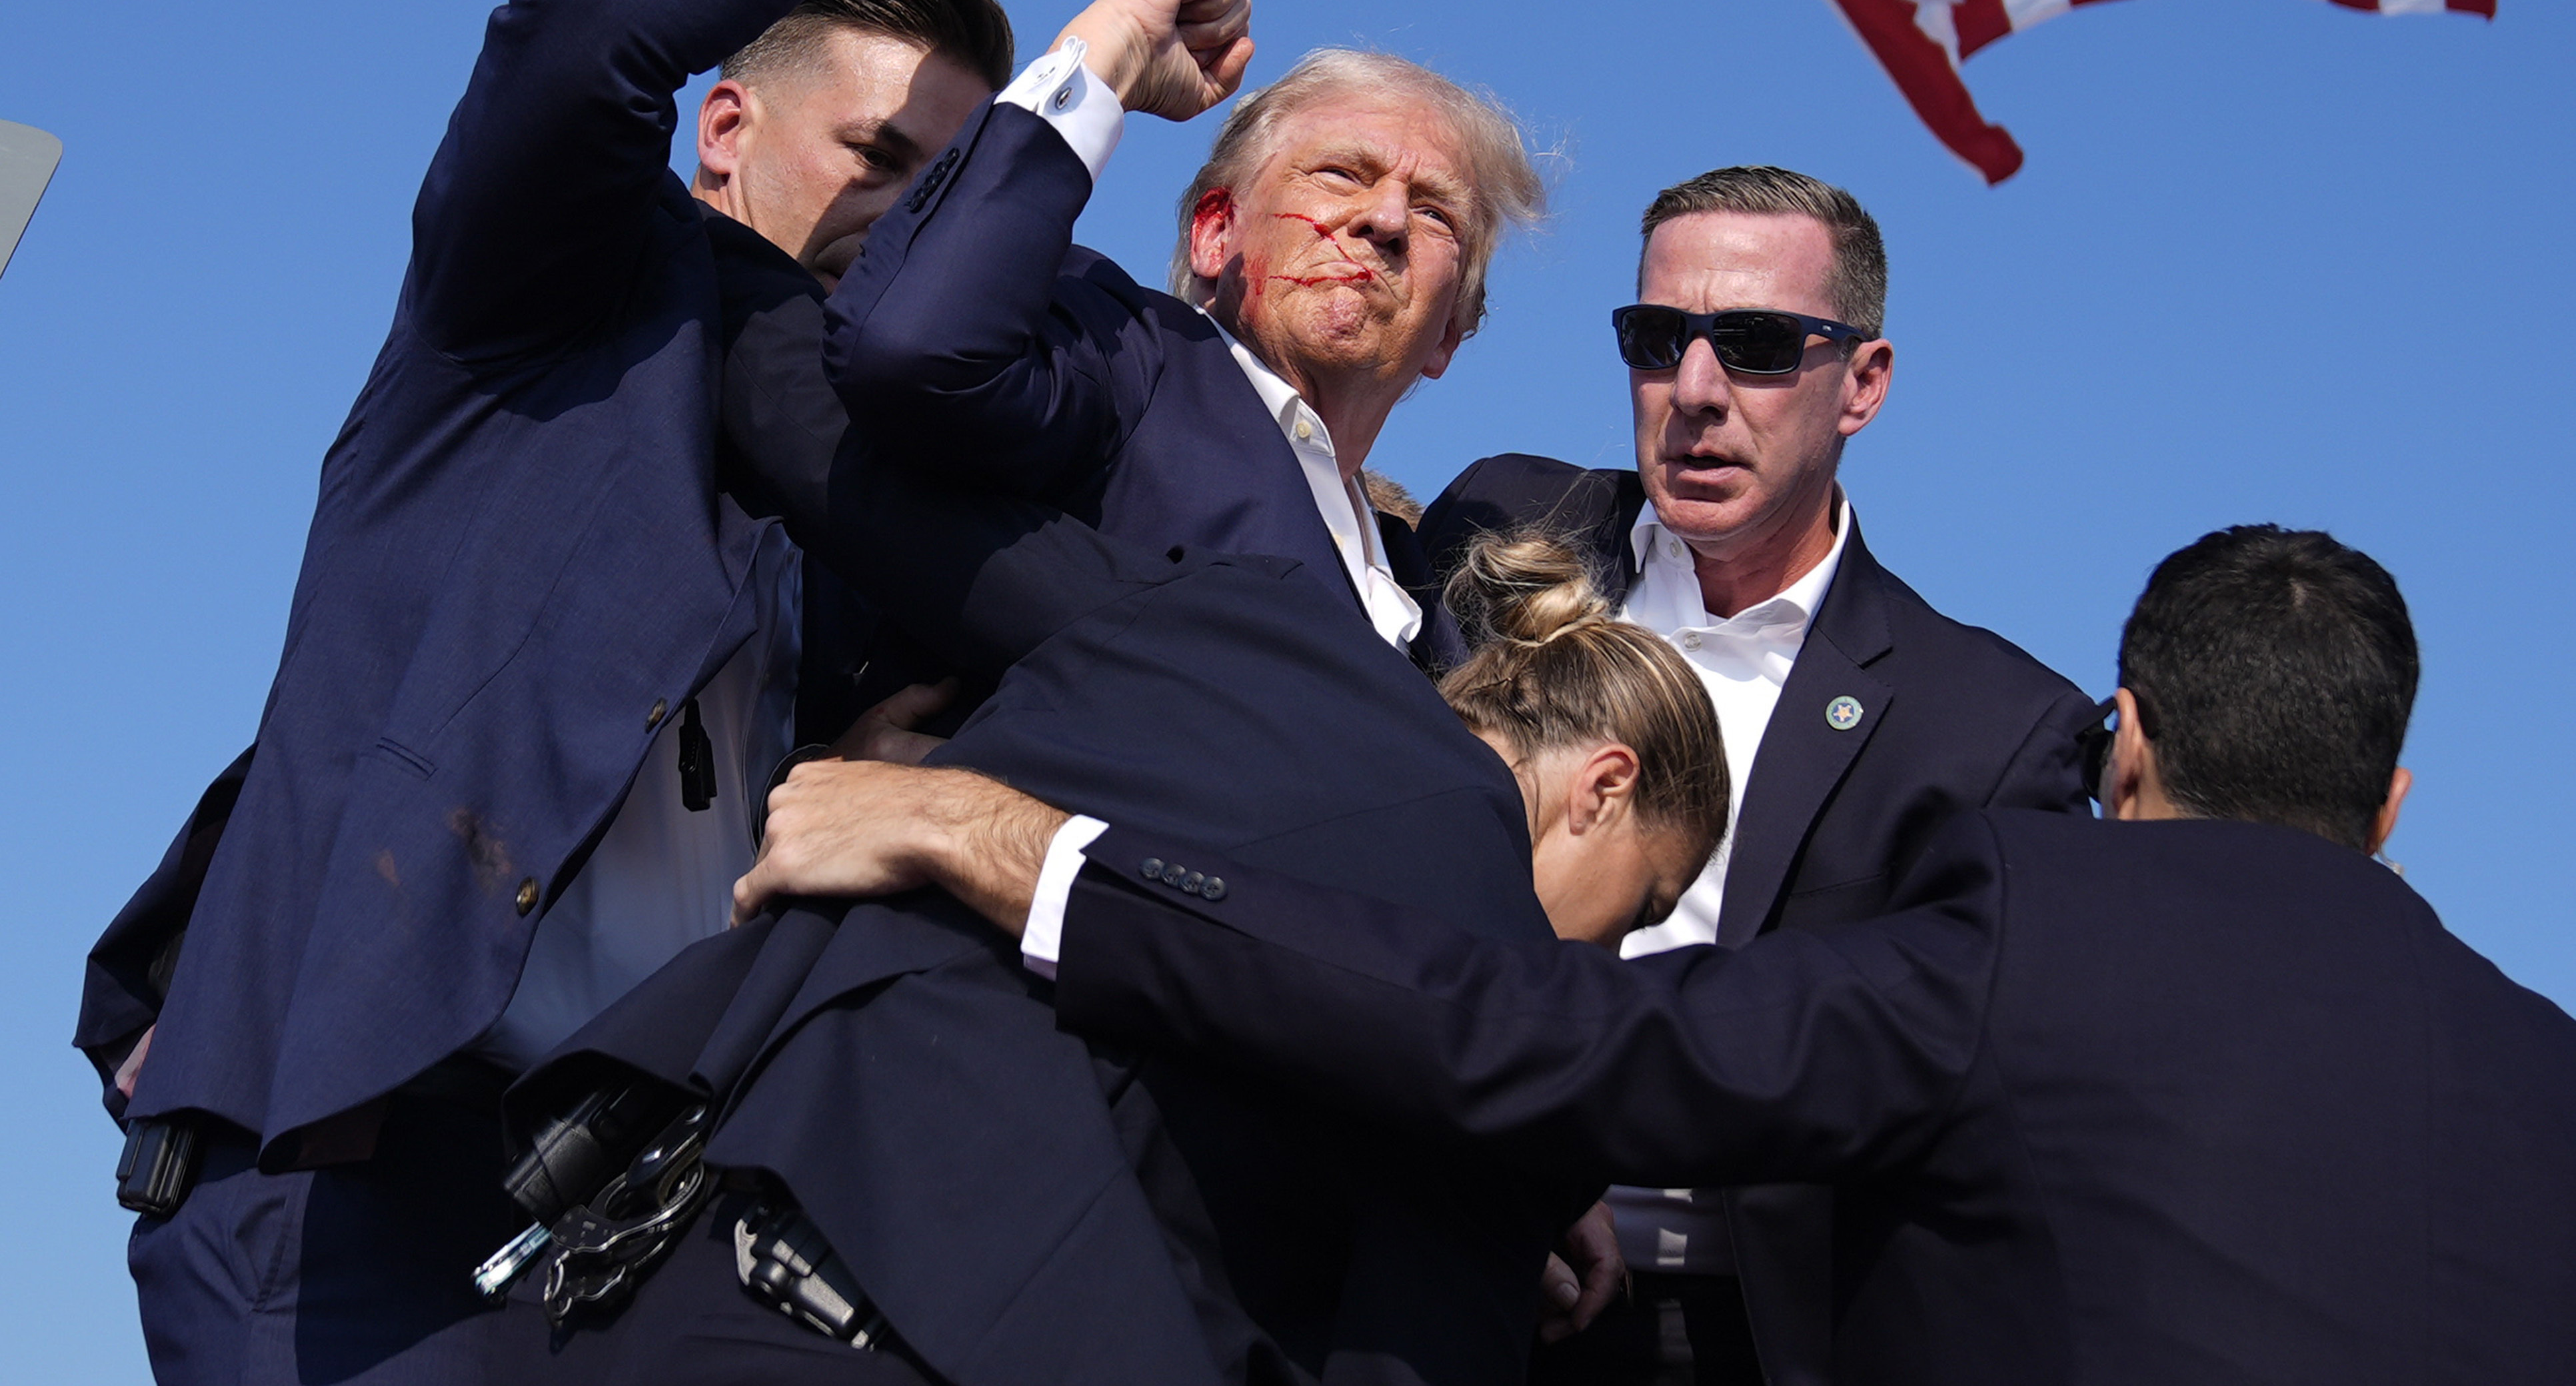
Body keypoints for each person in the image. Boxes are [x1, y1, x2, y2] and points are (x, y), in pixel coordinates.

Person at [69, 0, 1194, 1386]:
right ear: (725, 129)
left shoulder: (882, 485)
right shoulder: (542, 306)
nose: (907, 215)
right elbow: (584, 20)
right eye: (876, 154)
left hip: (638, 1205)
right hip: (354, 1185)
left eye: (949, 190)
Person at [788, 524, 2576, 1385]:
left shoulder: (2033, 934)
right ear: (2395, 801)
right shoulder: (2541, 1072)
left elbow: (1526, 1033)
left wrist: (1020, 847)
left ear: (2127, 741)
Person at [476, 489, 1724, 1384]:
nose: (1606, 957)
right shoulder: (1505, 1002)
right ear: (1604, 785)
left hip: (647, 1258)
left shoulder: (1244, 636)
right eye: (1646, 903)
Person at [1418, 165, 2095, 1379]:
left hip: (1731, 1334)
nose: (1694, 390)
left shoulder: (1988, 729)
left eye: (1758, 344)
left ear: (1865, 385)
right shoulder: (1495, 526)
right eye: (1657, 337)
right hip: (1420, 1251)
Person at [824, 23, 1547, 676]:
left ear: (1447, 334)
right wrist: (1109, 52)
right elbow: (914, 350)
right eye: (1341, 173)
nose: (1387, 218)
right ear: (1214, 234)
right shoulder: (1119, 358)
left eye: (1433, 212)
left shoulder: (1426, 610)